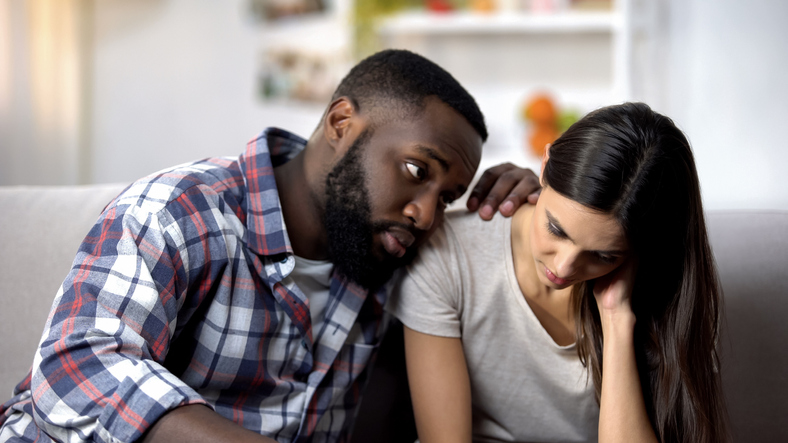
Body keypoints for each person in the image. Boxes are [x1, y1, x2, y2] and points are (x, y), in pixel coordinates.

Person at [0, 50, 541, 443]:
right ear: (341, 122)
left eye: (445, 196)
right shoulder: (181, 209)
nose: (426, 213)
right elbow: (76, 367)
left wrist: (523, 214)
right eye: (415, 170)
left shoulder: (389, 257)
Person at [388, 102, 729, 443]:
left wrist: (616, 321)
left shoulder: (669, 294)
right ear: (545, 164)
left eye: (603, 255)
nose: (564, 267)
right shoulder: (450, 255)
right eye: (556, 228)